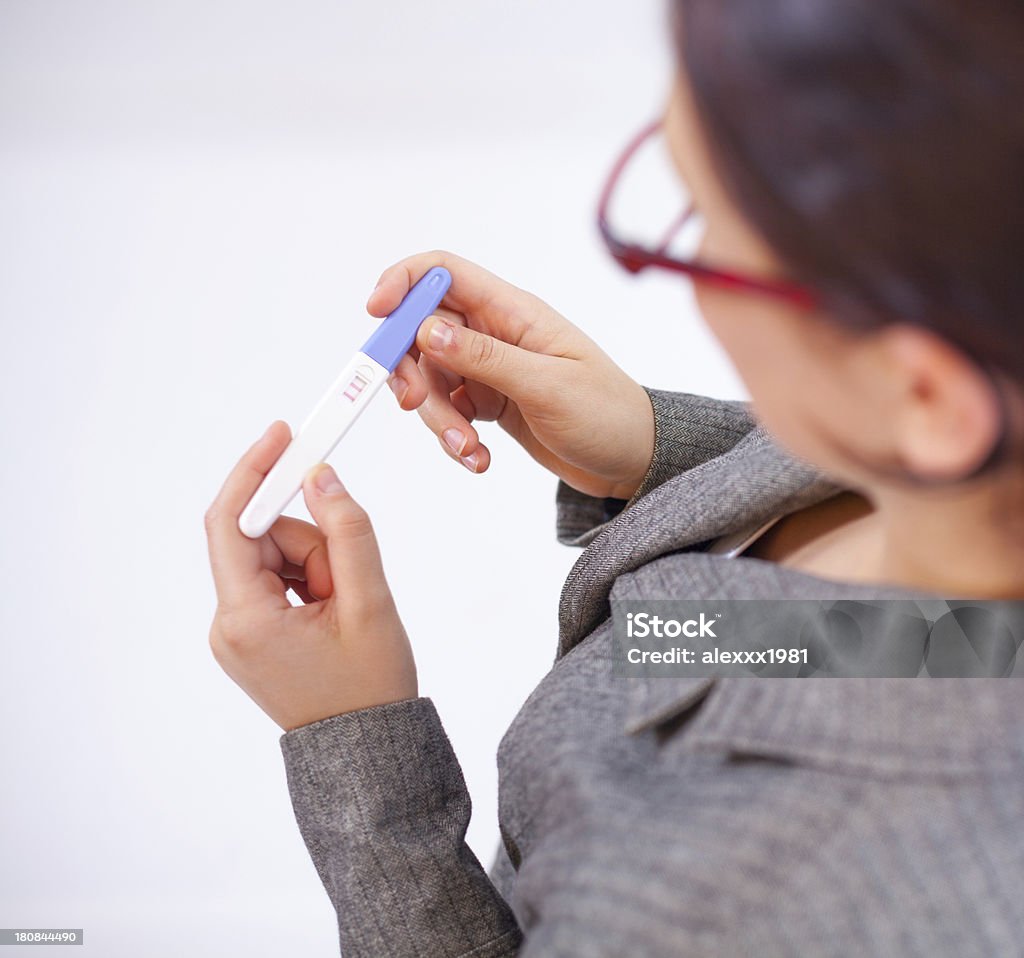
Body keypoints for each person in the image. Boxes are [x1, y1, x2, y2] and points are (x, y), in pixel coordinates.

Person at [204, 1, 1024, 954]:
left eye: (703, 226)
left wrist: (360, 748)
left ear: (924, 394)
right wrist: (650, 450)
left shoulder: (756, 902)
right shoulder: (962, 530)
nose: (681, 270)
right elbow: (900, 630)